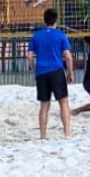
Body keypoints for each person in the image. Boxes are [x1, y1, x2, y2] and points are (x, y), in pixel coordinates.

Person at [27, 8, 75, 140]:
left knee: (44, 105)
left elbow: (29, 56)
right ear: (56, 21)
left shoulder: (37, 35)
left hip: (41, 72)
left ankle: (43, 136)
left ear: (44, 20)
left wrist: (34, 69)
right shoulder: (60, 35)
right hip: (56, 71)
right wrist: (70, 72)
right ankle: (67, 133)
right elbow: (68, 56)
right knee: (63, 103)